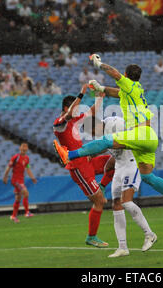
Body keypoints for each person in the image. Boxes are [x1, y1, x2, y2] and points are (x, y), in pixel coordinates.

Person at [53, 54, 163, 223]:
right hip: (148, 138)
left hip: (140, 133)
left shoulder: (129, 85)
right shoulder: (133, 90)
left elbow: (115, 74)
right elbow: (114, 92)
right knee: (146, 176)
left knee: (106, 141)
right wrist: (100, 88)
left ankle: (69, 155)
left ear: (126, 75)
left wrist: (99, 64)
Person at [53, 84, 114, 247]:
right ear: (67, 108)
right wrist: (82, 93)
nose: (79, 110)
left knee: (115, 160)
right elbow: (66, 117)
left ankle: (102, 186)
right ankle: (91, 237)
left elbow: (92, 112)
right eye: (75, 107)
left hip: (88, 161)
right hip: (78, 168)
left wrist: (100, 95)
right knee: (100, 202)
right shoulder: (60, 123)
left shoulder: (74, 120)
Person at [102, 116, 157, 258]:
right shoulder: (104, 132)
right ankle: (122, 247)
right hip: (119, 167)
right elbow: (115, 151)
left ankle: (149, 234)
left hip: (131, 164)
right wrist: (109, 162)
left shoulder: (115, 124)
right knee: (116, 204)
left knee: (126, 201)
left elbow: (123, 144)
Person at [2, 142, 38, 223]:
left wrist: (32, 178)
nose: (24, 148)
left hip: (21, 180)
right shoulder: (16, 157)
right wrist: (5, 177)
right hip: (15, 180)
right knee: (26, 193)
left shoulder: (27, 158)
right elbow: (8, 167)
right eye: (23, 146)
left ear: (27, 149)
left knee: (18, 198)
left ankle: (13, 216)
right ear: (20, 148)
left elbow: (27, 169)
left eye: (25, 147)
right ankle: (27, 212)